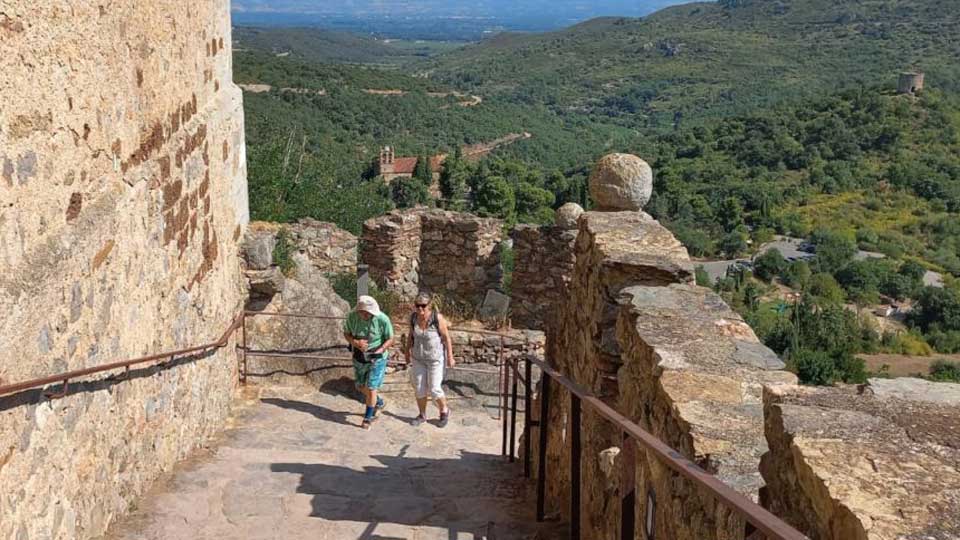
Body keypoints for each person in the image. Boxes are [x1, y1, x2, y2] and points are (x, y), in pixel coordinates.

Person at [343, 295, 395, 429]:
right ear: (359, 311)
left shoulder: (383, 319)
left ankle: (368, 417)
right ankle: (378, 402)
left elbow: (390, 338)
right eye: (364, 312)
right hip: (359, 356)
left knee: (372, 387)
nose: (367, 315)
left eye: (369, 313)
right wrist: (355, 342)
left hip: (378, 357)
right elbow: (346, 333)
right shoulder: (352, 317)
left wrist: (381, 349)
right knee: (360, 386)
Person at [404, 292, 455, 427]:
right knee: (419, 388)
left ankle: (444, 411)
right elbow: (410, 336)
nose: (420, 309)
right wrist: (406, 352)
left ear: (429, 306)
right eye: (417, 306)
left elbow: (446, 338)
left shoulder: (437, 319)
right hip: (418, 358)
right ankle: (422, 414)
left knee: (434, 389)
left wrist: (450, 356)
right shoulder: (413, 318)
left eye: (423, 306)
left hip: (434, 359)